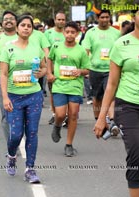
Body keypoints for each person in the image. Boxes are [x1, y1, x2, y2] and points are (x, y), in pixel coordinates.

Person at [94, 1, 139, 197]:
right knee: (137, 155)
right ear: (134, 17)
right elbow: (111, 84)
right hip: (129, 107)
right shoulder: (121, 44)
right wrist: (102, 117)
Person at [0, 15, 47, 183]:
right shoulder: (7, 49)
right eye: (23, 25)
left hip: (34, 95)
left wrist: (43, 72)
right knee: (16, 134)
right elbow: (3, 74)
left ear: (32, 29)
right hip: (14, 97)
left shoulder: (36, 48)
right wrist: (5, 97)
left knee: (32, 132)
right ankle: (12, 155)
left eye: (29, 26)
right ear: (18, 29)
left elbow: (44, 67)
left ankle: (30, 169)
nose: (26, 28)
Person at [47, 21, 90, 157]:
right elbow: (49, 59)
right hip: (59, 85)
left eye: (73, 32)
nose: (70, 34)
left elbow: (87, 69)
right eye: (67, 32)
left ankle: (69, 144)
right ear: (63, 33)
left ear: (77, 34)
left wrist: (80, 71)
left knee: (72, 115)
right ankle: (57, 126)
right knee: (60, 114)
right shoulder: (56, 46)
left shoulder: (81, 50)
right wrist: (49, 73)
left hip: (75, 87)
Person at [82, 10, 120, 135]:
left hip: (111, 70)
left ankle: (113, 121)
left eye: (107, 17)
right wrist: (86, 68)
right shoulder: (91, 33)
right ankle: (99, 120)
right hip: (95, 70)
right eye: (102, 17)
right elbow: (85, 51)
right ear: (98, 18)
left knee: (111, 95)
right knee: (97, 97)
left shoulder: (116, 33)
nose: (105, 19)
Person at [0, 10, 18, 143]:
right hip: (0, 79)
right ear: (2, 23)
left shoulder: (24, 37)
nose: (8, 21)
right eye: (6, 19)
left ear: (16, 22)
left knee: (20, 113)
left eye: (11, 19)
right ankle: (11, 145)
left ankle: (18, 136)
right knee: (7, 113)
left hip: (21, 80)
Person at [44, 11, 66, 125]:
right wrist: (48, 70)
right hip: (52, 69)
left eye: (63, 20)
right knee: (54, 93)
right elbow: (45, 51)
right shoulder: (48, 33)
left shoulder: (68, 33)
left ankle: (65, 114)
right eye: (59, 19)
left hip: (66, 69)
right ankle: (55, 114)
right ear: (55, 20)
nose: (61, 21)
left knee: (66, 91)